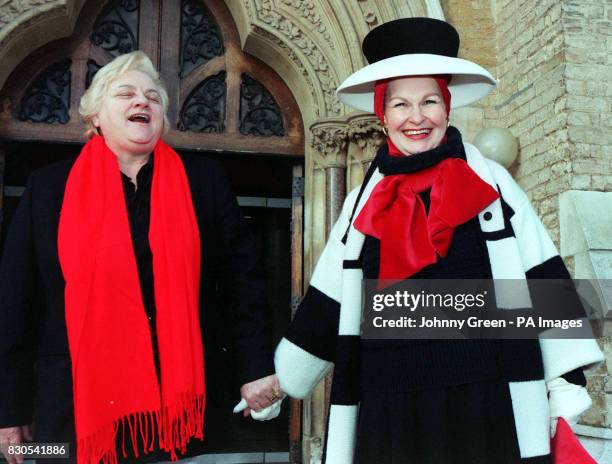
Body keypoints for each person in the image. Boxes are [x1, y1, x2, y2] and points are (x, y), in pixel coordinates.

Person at [273, 18, 603, 463]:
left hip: (485, 402)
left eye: (429, 100)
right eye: (400, 104)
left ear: (447, 108)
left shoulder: (494, 185)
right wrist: (283, 379)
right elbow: (327, 300)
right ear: (382, 114)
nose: (416, 117)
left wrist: (564, 383)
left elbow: (543, 276)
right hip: (388, 404)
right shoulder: (358, 204)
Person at [0, 51, 281, 464]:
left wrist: (256, 368)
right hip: (70, 409)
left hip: (177, 408)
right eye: (125, 93)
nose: (142, 102)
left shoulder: (204, 182)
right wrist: (9, 411)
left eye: (153, 97)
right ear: (94, 116)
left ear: (162, 117)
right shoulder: (47, 188)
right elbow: (15, 303)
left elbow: (245, 285)